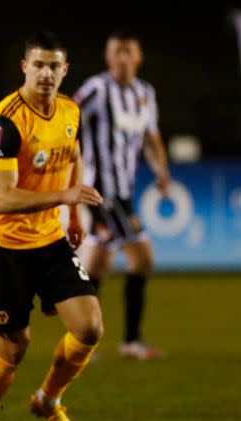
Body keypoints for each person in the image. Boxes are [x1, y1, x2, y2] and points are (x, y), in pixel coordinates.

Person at [0, 32, 105, 421]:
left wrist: (75, 213)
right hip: (3, 242)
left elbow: (73, 154)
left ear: (65, 70)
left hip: (49, 237)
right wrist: (64, 197)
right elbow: (5, 198)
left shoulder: (69, 110)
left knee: (89, 328)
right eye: (38, 65)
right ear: (25, 67)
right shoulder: (5, 121)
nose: (46, 73)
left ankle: (48, 399)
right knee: (15, 345)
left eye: (54, 66)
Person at [74, 30, 171, 361]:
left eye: (129, 51)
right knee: (142, 257)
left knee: (97, 264)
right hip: (102, 191)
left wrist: (162, 172)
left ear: (139, 57)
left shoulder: (145, 93)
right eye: (117, 51)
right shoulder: (97, 89)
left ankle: (82, 343)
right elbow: (67, 119)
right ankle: (130, 341)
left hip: (125, 189)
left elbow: (151, 137)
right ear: (108, 57)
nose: (123, 57)